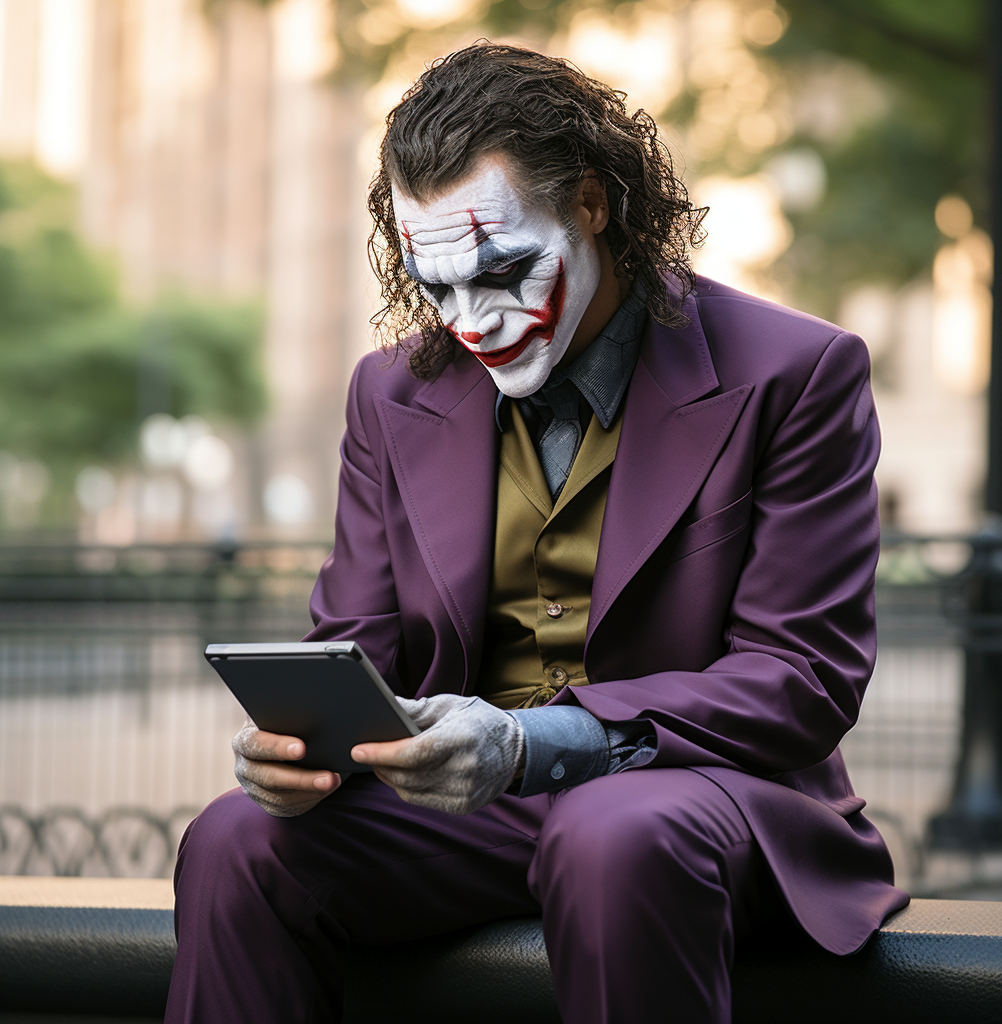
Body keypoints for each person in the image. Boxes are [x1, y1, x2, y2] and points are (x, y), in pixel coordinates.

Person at [165, 44, 908, 1024]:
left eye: (503, 272)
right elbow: (354, 645)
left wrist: (531, 742)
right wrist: (300, 750)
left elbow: (800, 681)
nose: (474, 323)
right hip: (464, 823)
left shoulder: (797, 373)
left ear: (592, 205)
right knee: (235, 838)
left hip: (705, 806)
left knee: (612, 831)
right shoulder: (390, 394)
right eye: (437, 289)